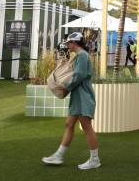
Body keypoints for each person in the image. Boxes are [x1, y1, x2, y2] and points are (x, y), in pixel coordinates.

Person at [42, 32, 100, 169]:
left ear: (75, 43)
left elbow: (78, 75)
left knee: (87, 127)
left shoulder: (82, 56)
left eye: (69, 43)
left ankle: (95, 159)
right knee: (69, 124)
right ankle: (58, 155)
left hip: (83, 97)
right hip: (78, 96)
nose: (68, 45)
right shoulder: (81, 55)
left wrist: (65, 87)